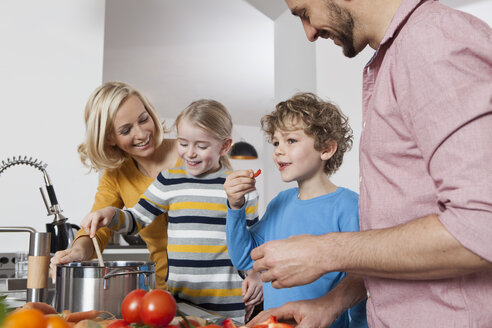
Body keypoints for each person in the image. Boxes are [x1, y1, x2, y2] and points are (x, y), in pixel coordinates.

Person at [248, 0, 492, 327]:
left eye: (305, 12)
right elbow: (397, 240)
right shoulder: (396, 56)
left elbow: (482, 226)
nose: (308, 33)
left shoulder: (433, 41)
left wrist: (326, 251)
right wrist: (332, 302)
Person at [80, 99, 263, 323]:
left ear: (224, 147)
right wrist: (111, 214)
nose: (190, 153)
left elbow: (253, 242)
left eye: (201, 146)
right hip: (178, 301)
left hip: (229, 302)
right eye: (183, 143)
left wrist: (255, 274)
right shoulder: (168, 180)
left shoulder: (239, 188)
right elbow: (136, 219)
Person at [224, 92, 367, 328]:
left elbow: (361, 280)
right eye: (276, 142)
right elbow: (243, 257)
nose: (279, 150)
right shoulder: (280, 202)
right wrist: (235, 206)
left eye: (291, 141)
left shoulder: (349, 206)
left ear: (327, 149)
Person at [49, 81, 179, 289]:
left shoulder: (192, 154)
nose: (141, 133)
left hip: (224, 288)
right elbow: (97, 228)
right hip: (167, 292)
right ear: (110, 138)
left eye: (143, 119)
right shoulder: (116, 175)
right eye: (126, 130)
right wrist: (77, 252)